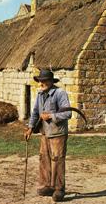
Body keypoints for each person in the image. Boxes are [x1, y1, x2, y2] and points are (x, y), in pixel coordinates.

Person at [24, 69, 71, 202]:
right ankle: (47, 186)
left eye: (44, 80)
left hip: (57, 133)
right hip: (45, 133)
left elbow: (68, 114)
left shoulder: (60, 93)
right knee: (44, 159)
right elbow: (35, 112)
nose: (41, 83)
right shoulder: (40, 94)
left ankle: (58, 189)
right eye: (40, 81)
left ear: (51, 81)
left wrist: (51, 116)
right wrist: (30, 128)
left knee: (57, 160)